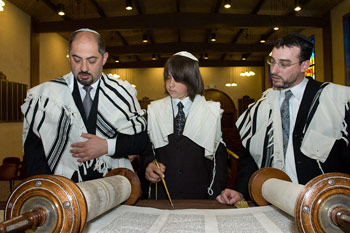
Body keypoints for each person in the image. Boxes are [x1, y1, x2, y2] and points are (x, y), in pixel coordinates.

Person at [216, 33, 350, 205]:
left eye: (284, 64)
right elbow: (251, 156)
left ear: (304, 65)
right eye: (272, 61)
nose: (274, 70)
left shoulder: (337, 101)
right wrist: (240, 191)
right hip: (274, 201)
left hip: (323, 203)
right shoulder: (261, 107)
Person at [22, 28, 148, 182]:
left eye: (91, 60)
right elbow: (35, 152)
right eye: (76, 59)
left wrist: (106, 146)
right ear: (68, 55)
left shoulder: (122, 93)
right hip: (64, 186)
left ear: (104, 58)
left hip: (111, 183)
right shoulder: (46, 97)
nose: (84, 68)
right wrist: (44, 188)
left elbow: (141, 141)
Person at [142, 51, 228, 199]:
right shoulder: (154, 111)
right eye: (168, 78)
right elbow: (147, 151)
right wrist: (148, 165)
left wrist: (214, 194)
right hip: (162, 195)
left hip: (200, 196)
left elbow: (218, 161)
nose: (170, 84)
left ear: (191, 80)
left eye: (178, 79)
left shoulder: (211, 112)